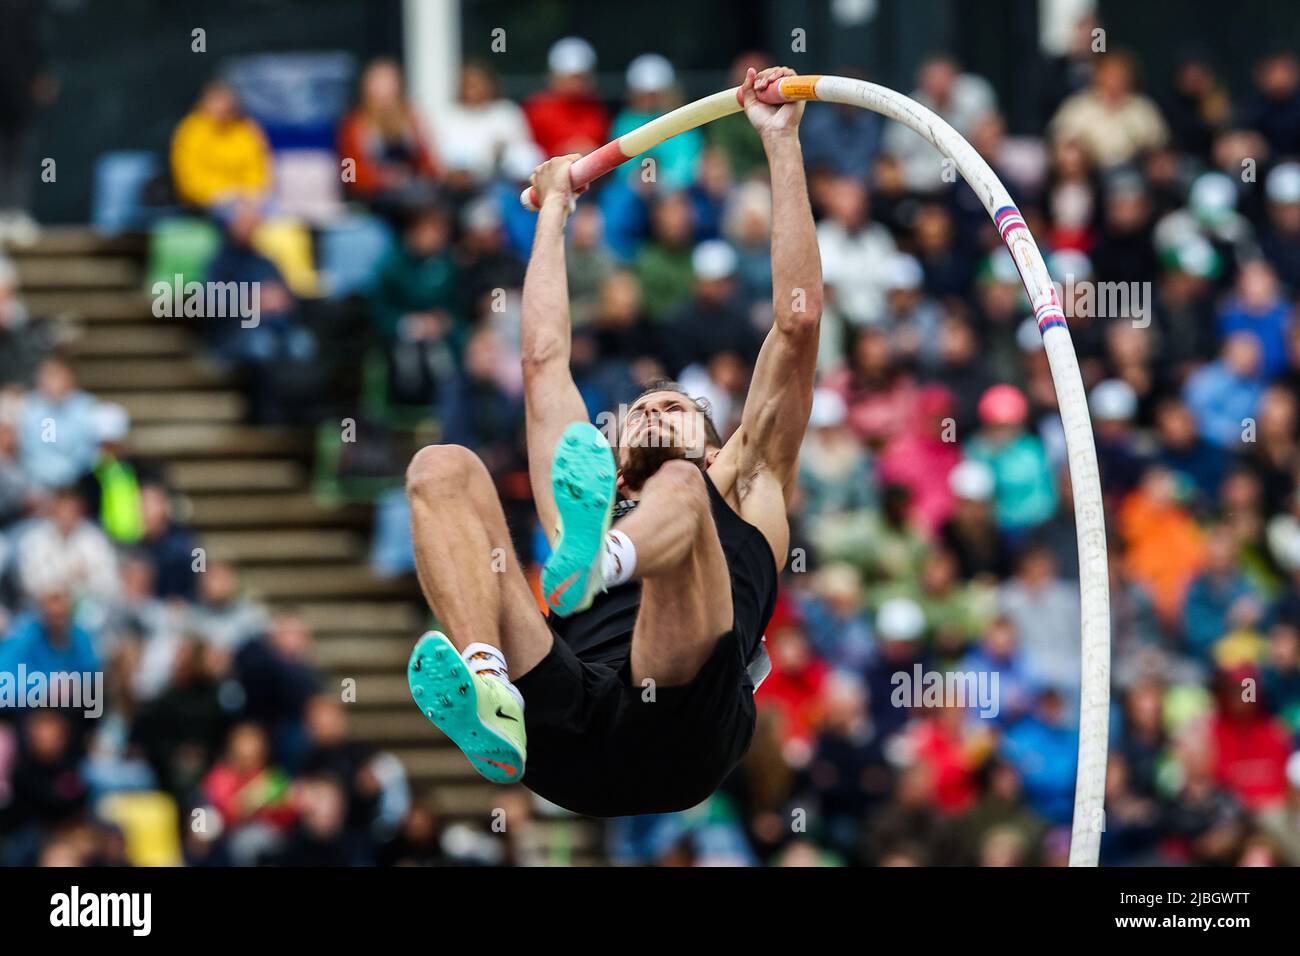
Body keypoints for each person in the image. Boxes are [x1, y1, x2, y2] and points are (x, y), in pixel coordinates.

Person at [403, 66, 822, 817]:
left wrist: (780, 144)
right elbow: (541, 362)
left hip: (683, 731)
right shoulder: (588, 494)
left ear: (719, 438)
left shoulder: (745, 482)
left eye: (679, 406)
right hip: (561, 734)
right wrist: (555, 209)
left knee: (682, 495)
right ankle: (486, 681)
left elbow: (795, 325)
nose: (655, 410)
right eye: (642, 409)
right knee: (440, 468)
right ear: (618, 452)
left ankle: (602, 565)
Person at [170, 79, 273, 211]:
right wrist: (224, 193)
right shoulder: (191, 131)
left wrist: (250, 194)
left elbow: (259, 169)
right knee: (237, 216)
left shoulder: (246, 129)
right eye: (217, 101)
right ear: (204, 103)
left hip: (250, 199)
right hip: (209, 201)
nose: (223, 107)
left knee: (280, 220)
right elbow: (189, 179)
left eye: (227, 102)